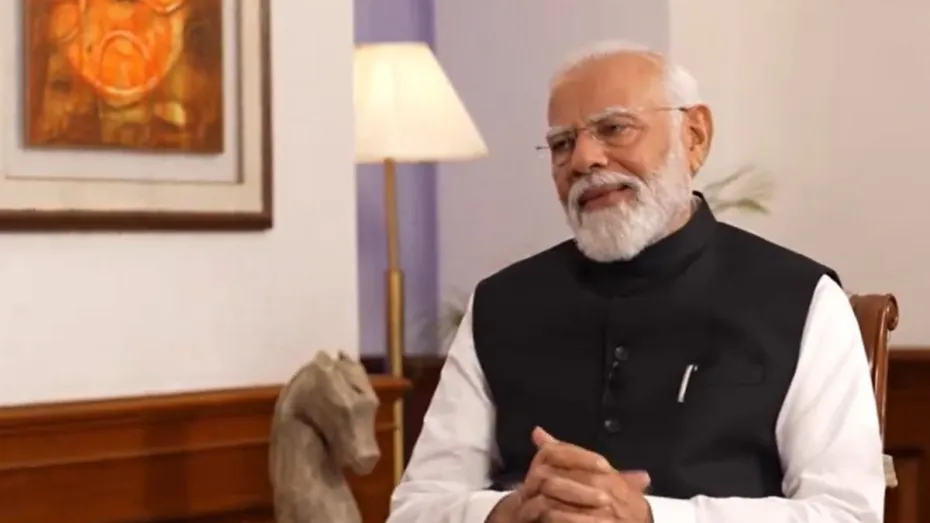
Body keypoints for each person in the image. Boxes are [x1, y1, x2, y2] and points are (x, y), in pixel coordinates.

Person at [386, 40, 885, 523]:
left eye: (614, 128)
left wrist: (650, 517)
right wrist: (509, 512)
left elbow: (847, 513)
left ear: (694, 136)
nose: (584, 160)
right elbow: (416, 508)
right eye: (562, 144)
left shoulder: (801, 300)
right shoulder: (501, 305)